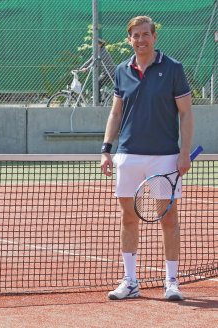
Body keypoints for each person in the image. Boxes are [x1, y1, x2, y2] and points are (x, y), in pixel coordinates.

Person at [100, 16, 193, 301]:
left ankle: (172, 281)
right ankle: (130, 281)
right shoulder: (121, 70)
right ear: (129, 40)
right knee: (128, 218)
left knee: (169, 219)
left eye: (145, 34)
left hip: (164, 158)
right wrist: (106, 148)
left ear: (154, 36)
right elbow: (116, 113)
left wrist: (184, 152)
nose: (141, 40)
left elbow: (186, 112)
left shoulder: (173, 69)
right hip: (128, 156)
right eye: (135, 36)